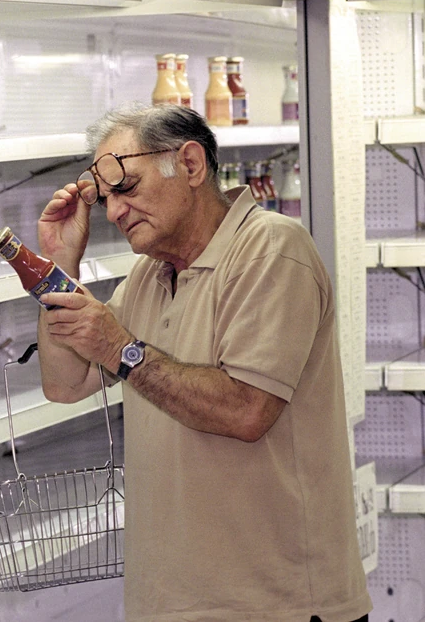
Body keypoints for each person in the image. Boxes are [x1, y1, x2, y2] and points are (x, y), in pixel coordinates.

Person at [35, 104, 372, 622]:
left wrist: (119, 349)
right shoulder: (149, 276)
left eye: (126, 187)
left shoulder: (271, 251)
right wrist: (59, 269)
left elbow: (246, 411)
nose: (113, 212)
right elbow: (64, 383)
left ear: (190, 164)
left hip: (278, 604)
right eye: (104, 199)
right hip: (170, 602)